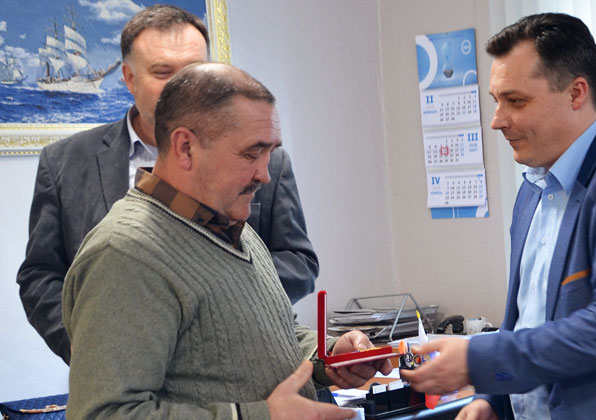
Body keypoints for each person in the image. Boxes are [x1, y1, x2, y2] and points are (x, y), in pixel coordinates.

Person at [401, 13, 596, 420]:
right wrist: (492, 399)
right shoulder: (532, 191)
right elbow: (527, 321)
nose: (497, 120)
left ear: (576, 93)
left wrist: (474, 359)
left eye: (516, 101)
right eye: (496, 101)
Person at [62, 62, 391, 419]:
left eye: (270, 152)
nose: (265, 174)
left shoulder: (230, 223)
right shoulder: (125, 254)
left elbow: (251, 340)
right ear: (185, 147)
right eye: (251, 153)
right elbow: (103, 414)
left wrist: (327, 355)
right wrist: (261, 416)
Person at [17, 5, 318, 365]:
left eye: (193, 71)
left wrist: (209, 300)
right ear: (128, 78)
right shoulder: (65, 162)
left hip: (243, 366)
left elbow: (298, 263)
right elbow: (40, 275)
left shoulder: (265, 160)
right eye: (163, 72)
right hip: (118, 373)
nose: (181, 87)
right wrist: (84, 344)